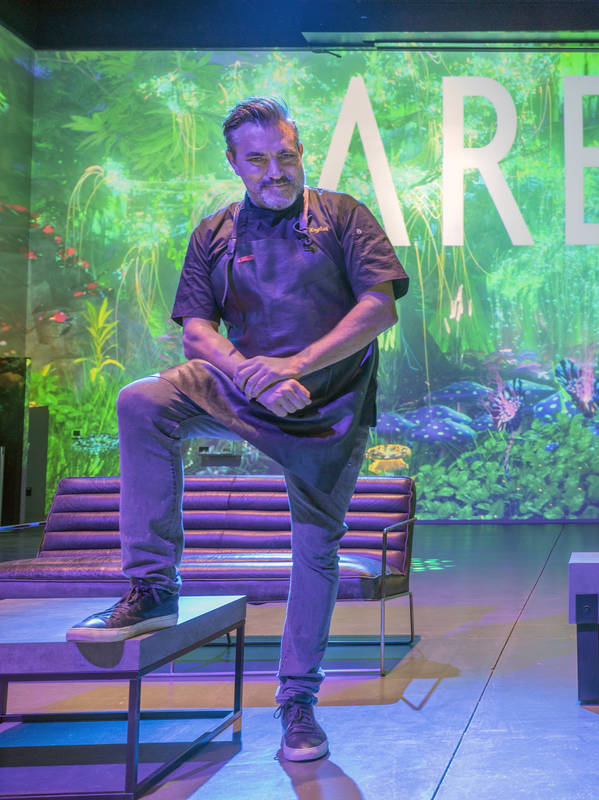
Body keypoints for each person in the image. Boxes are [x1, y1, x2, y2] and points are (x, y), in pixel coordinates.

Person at [66, 97, 408, 762]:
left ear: (300, 149)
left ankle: (297, 703)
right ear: (234, 162)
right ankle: (155, 586)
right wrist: (251, 376)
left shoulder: (343, 216)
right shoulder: (215, 231)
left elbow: (379, 307)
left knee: (316, 550)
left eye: (285, 154)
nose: (274, 169)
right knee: (142, 402)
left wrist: (297, 369)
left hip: (327, 408)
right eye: (257, 158)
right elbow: (197, 328)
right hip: (242, 389)